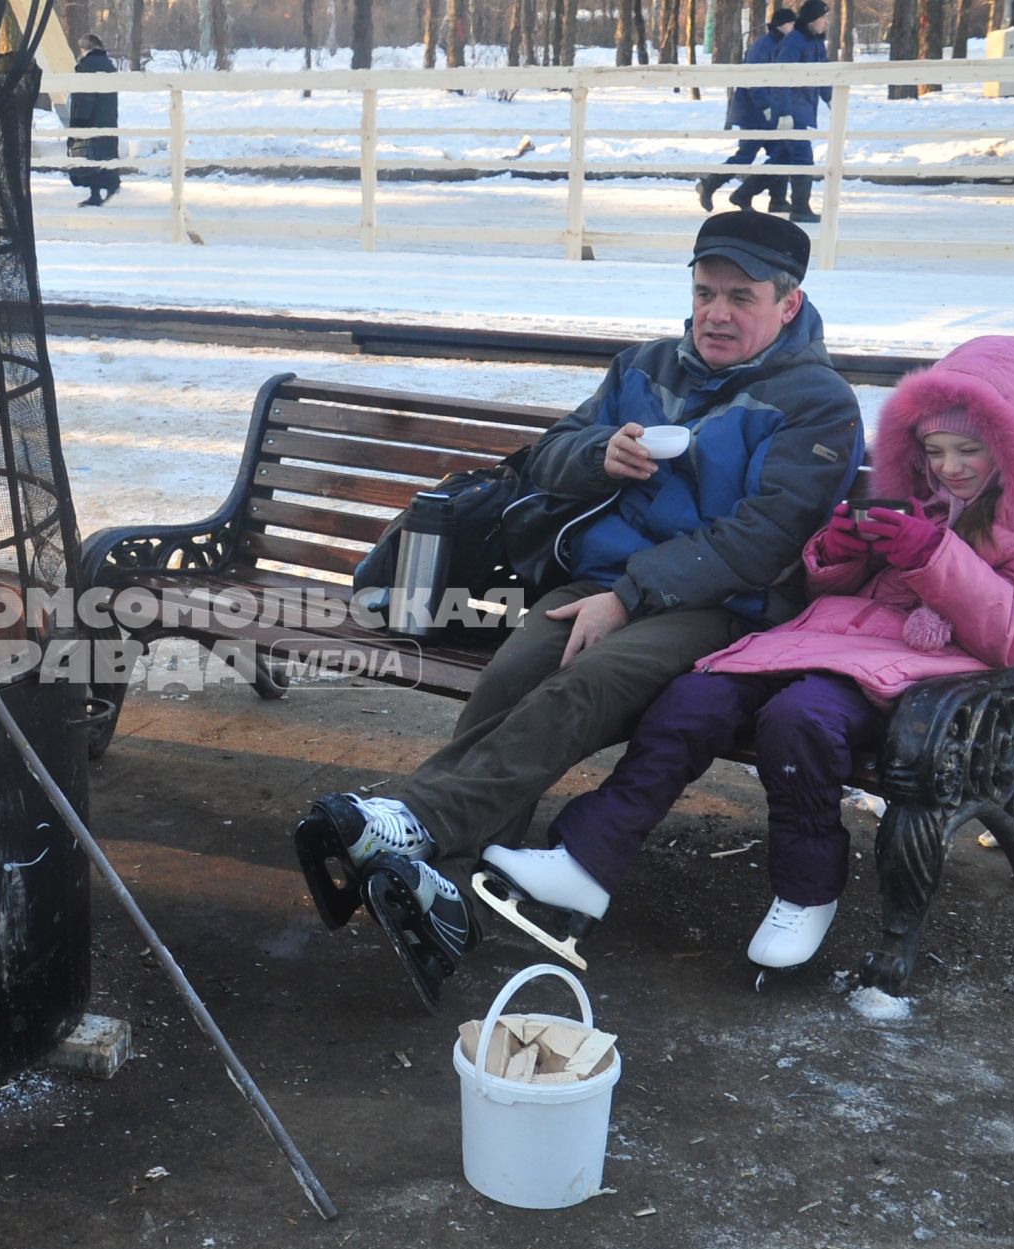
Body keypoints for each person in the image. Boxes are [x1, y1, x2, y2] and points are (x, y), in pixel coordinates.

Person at [293, 211, 863, 1012]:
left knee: (583, 683)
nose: (717, 313)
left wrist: (630, 597)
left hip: (723, 606)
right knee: (511, 676)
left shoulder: (818, 404)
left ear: (789, 305)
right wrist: (600, 456)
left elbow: (766, 537)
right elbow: (549, 453)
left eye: (742, 296)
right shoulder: (644, 367)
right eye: (705, 292)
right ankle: (439, 880)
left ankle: (414, 819)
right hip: (599, 583)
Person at [478, 336, 1014, 972]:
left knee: (799, 722)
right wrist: (841, 548)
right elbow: (826, 586)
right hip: (820, 638)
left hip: (919, 673)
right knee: (693, 699)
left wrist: (931, 556)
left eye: (968, 450)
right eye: (933, 450)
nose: (948, 467)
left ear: (1011, 443)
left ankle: (806, 889)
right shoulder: (912, 491)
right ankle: (587, 859)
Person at [697, 8, 795, 215]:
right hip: (753, 112)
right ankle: (709, 185)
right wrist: (766, 106)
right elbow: (753, 80)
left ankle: (777, 199)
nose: (794, 28)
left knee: (782, 153)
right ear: (782, 25)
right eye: (791, 24)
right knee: (746, 156)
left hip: (769, 112)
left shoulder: (781, 45)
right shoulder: (763, 46)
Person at [767, 0, 832, 224]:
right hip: (791, 109)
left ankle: (743, 194)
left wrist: (830, 97)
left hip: (802, 108)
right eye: (823, 18)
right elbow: (782, 77)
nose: (826, 22)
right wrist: (784, 113)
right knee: (803, 156)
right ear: (812, 19)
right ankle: (800, 208)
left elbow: (822, 73)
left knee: (782, 157)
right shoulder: (794, 42)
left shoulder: (816, 42)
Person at [68, 33, 120, 208]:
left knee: (87, 156)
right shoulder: (108, 65)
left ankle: (95, 193)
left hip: (90, 118)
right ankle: (109, 185)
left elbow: (84, 95)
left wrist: (79, 120)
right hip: (107, 118)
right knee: (105, 154)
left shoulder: (87, 66)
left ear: (85, 49)